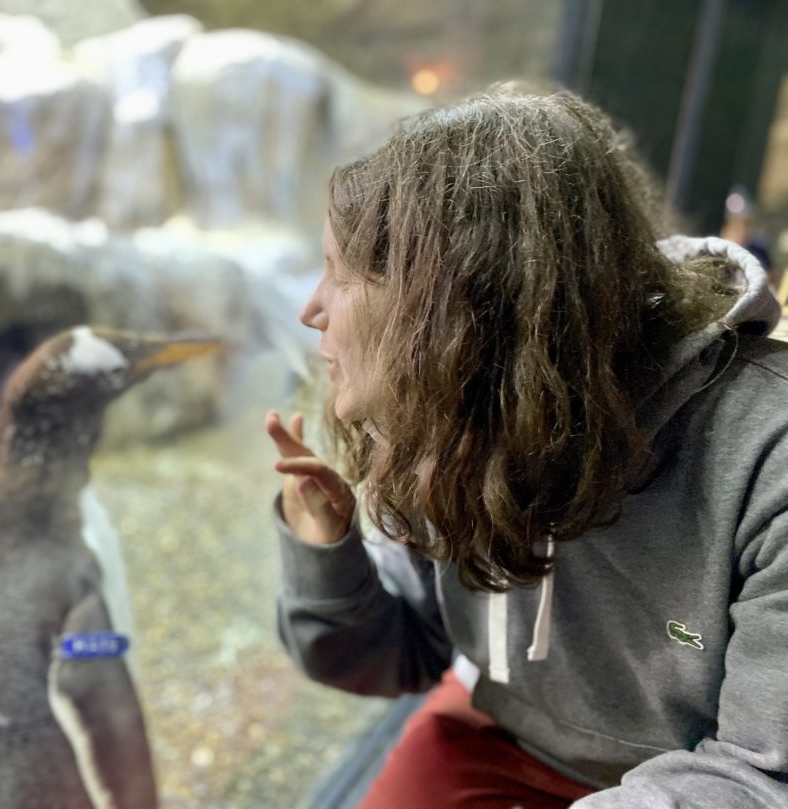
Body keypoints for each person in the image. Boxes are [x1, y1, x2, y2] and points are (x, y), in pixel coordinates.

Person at [265, 85, 788, 808]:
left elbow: (762, 776)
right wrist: (325, 553)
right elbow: (407, 651)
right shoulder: (459, 407)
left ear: (462, 306)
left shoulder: (770, 454)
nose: (310, 309)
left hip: (695, 775)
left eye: (344, 274)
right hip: (500, 733)